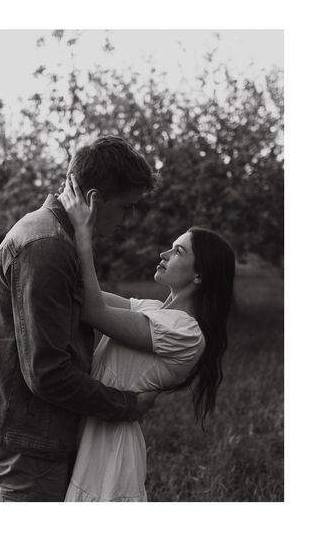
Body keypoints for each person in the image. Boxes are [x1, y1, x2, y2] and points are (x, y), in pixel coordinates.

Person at [0, 136, 157, 502]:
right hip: (28, 432)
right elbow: (48, 372)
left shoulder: (55, 236)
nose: (129, 220)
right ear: (94, 199)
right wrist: (127, 406)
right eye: (126, 207)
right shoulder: (48, 246)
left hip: (29, 424)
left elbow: (86, 312)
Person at [58, 174, 236, 502]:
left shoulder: (187, 333)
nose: (164, 252)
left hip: (111, 451)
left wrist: (84, 234)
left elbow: (93, 311)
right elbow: (82, 294)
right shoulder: (152, 308)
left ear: (199, 275)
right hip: (94, 430)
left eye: (178, 251)